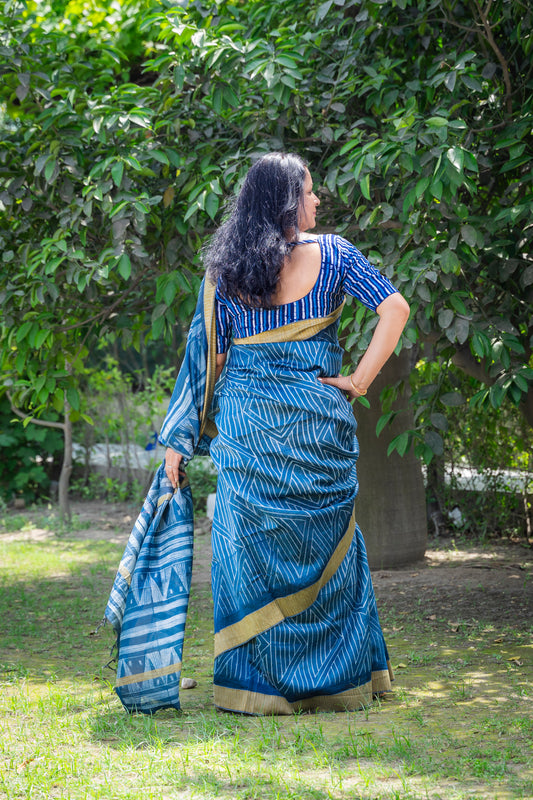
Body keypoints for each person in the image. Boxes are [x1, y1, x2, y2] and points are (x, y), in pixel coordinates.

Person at [105, 151, 409, 715]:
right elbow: (395, 307)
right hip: (317, 421)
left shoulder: (227, 272)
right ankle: (337, 682)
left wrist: (178, 439)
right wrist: (359, 381)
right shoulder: (337, 255)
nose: (318, 200)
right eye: (310, 191)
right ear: (287, 201)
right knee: (329, 551)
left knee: (248, 559)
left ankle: (255, 691)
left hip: (247, 430)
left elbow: (204, 359)